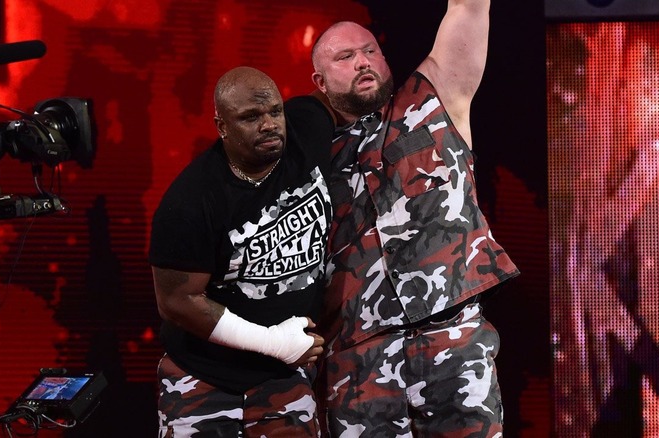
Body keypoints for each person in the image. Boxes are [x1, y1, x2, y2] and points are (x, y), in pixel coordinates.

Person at [307, 1, 519, 436]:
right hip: (358, 360)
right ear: (320, 82)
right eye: (344, 58)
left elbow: (470, 7)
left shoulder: (434, 99)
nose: (362, 61)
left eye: (369, 50)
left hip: (452, 340)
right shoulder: (303, 160)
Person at [149, 66, 335, 437]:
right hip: (202, 376)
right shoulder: (191, 200)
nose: (269, 125)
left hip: (284, 378)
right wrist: (273, 343)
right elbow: (177, 301)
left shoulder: (306, 131)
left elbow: (345, 96)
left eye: (275, 112)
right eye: (250, 117)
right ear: (222, 127)